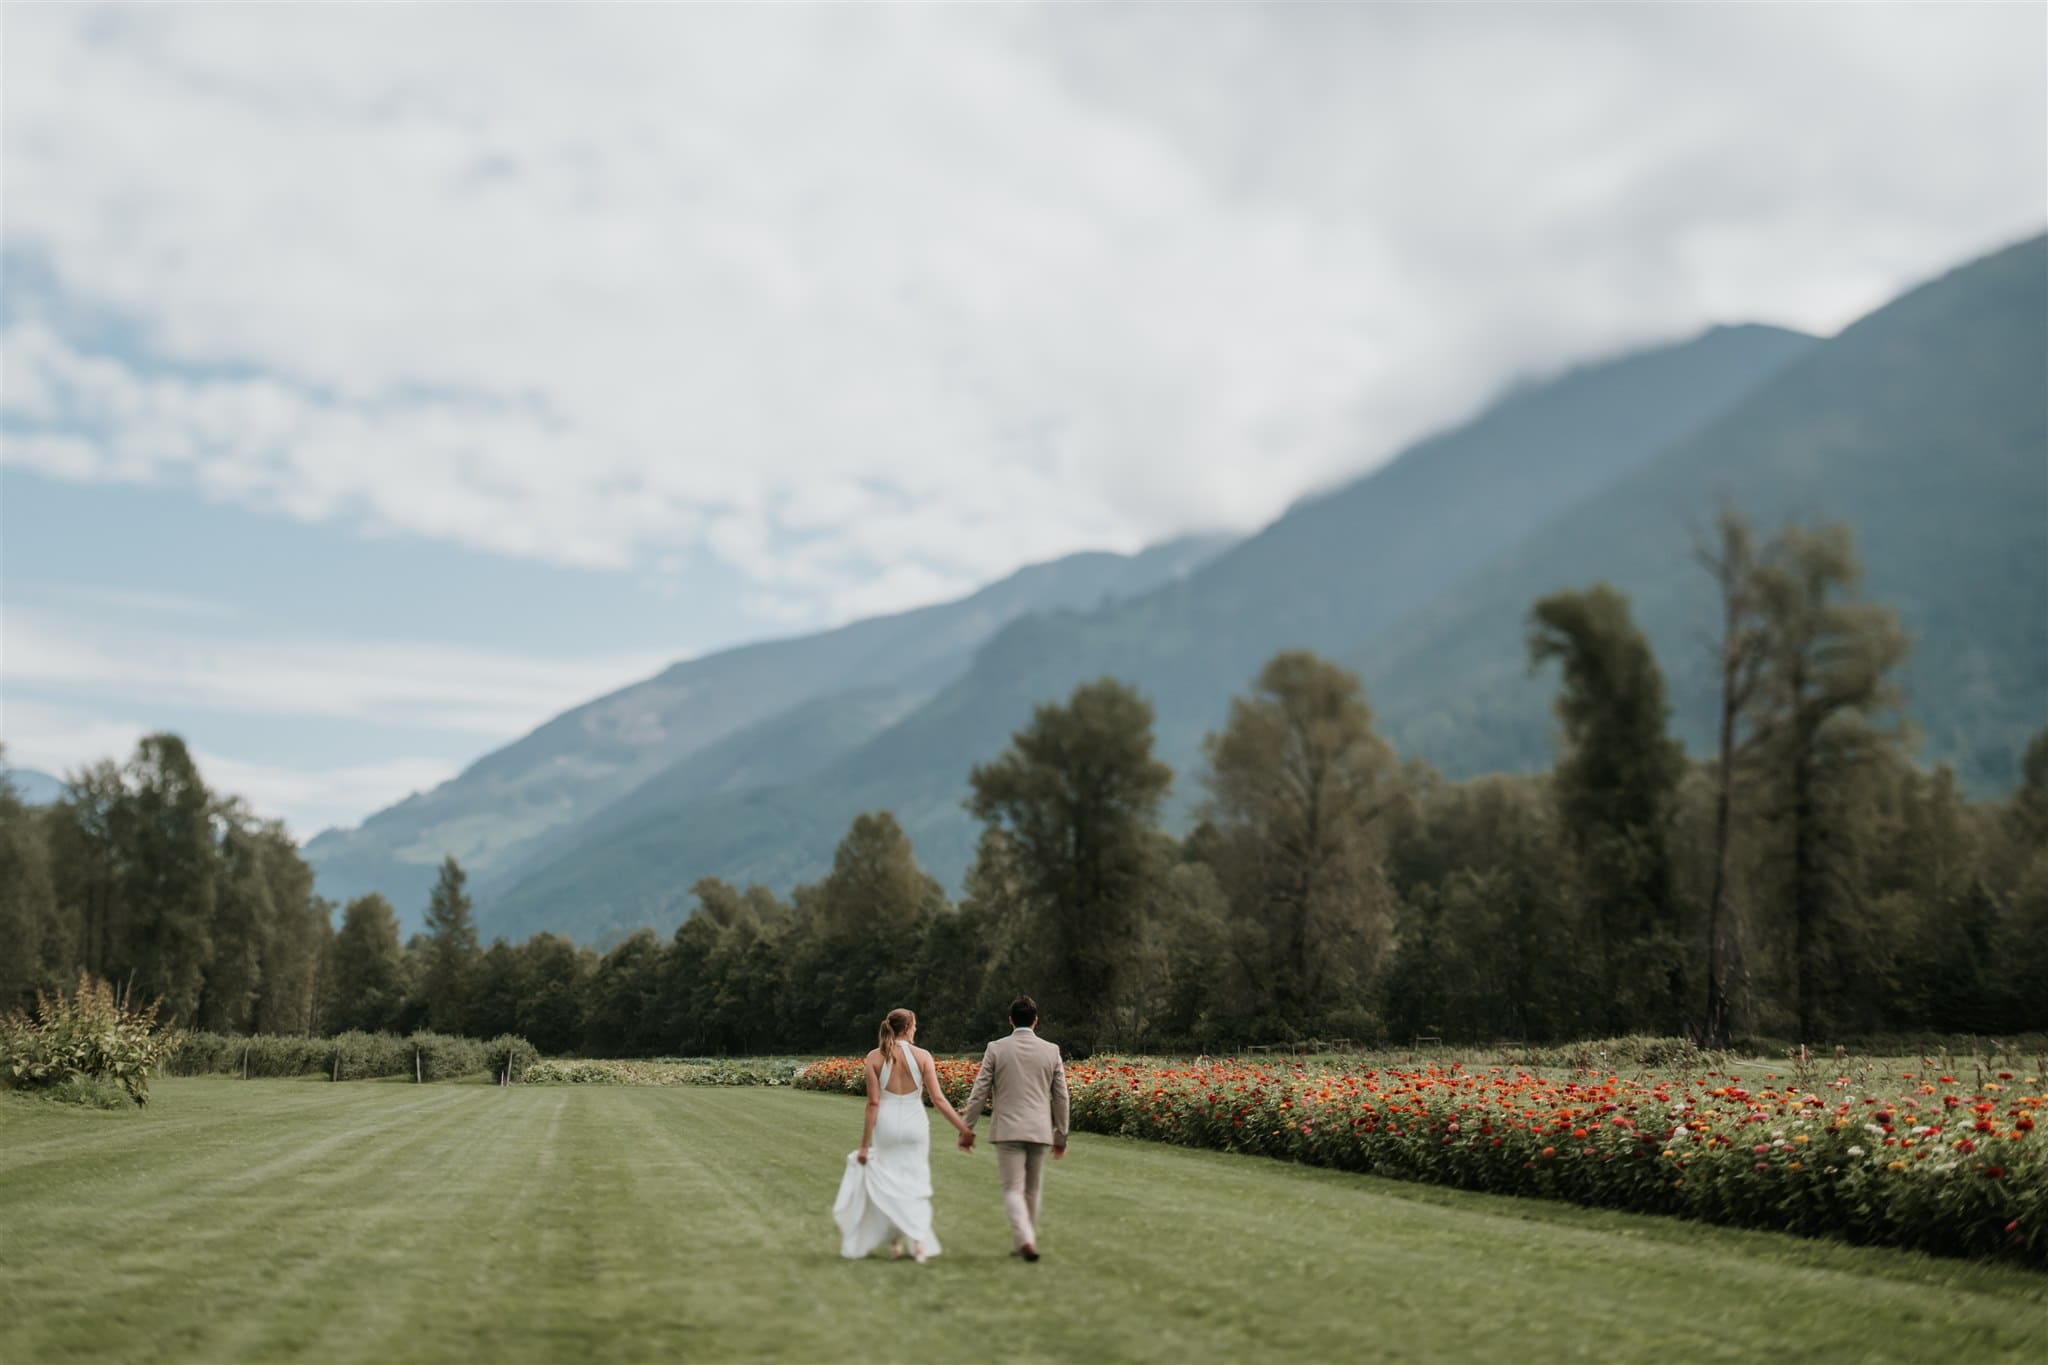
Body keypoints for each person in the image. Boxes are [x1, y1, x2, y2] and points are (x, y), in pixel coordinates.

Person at [832, 1007, 973, 1263]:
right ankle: (918, 1243)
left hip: (886, 1126)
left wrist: (864, 1147)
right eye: (915, 1025)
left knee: (888, 1185)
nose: (916, 1029)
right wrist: (963, 1129)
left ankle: (895, 1245)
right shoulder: (923, 1056)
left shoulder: (874, 1057)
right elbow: (939, 1100)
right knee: (915, 1183)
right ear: (908, 1028)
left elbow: (873, 1104)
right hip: (915, 1126)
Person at [955, 995, 1070, 1262]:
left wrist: (967, 1128)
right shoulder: (1051, 1050)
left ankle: (1025, 1239)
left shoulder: (996, 1048)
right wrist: (1061, 1134)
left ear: (1010, 1020)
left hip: (1007, 1129)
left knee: (1012, 1188)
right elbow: (1062, 1096)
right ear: (1036, 1021)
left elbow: (979, 1091)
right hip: (1040, 1129)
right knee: (1032, 1189)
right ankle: (1025, 1240)